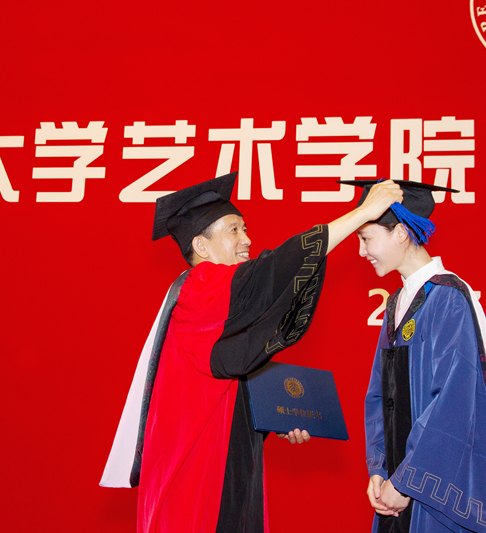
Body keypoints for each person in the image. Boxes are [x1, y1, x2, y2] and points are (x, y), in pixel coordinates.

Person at [100, 172, 403, 533]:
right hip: (195, 485)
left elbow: (229, 371)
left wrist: (277, 418)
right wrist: (362, 213)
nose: (247, 240)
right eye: (234, 230)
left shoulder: (216, 307)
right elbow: (272, 272)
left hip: (227, 471)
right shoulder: (199, 290)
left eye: (245, 229)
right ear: (201, 246)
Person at [342, 179, 486, 533]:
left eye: (366, 238)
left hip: (438, 483)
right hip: (400, 480)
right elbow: (379, 395)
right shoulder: (397, 303)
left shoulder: (449, 297)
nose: (361, 251)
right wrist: (379, 470)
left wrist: (408, 480)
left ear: (400, 233)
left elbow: (453, 402)